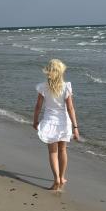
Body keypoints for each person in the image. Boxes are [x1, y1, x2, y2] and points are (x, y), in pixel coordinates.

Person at [32, 59, 80, 191]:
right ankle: (62, 176)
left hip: (49, 122)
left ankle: (56, 179)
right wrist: (75, 127)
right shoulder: (66, 87)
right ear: (61, 72)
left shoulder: (43, 87)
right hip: (64, 122)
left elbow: (38, 107)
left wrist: (35, 120)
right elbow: (71, 108)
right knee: (63, 150)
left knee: (53, 152)